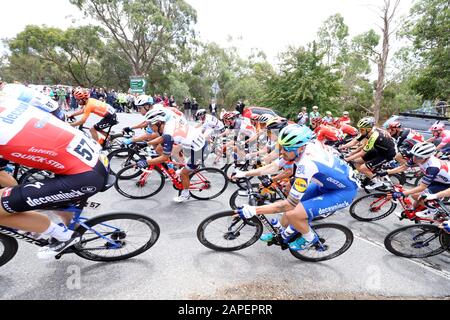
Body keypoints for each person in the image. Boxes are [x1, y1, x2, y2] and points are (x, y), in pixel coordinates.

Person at [0, 98, 108, 259]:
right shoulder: (8, 103)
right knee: (57, 206)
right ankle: (73, 228)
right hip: (90, 160)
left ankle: (66, 237)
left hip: (83, 175)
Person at [234, 125, 358, 250]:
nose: (282, 151)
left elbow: (289, 205)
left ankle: (310, 240)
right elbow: (273, 167)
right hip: (326, 184)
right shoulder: (302, 148)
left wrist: (254, 210)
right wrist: (245, 173)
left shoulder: (306, 164)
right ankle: (281, 232)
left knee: (293, 212)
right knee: (291, 208)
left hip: (343, 192)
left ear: (301, 148)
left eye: (287, 149)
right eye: (282, 147)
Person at [136, 109, 206, 203]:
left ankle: (186, 194)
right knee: (179, 163)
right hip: (193, 143)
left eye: (150, 125)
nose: (149, 127)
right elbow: (162, 138)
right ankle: (184, 171)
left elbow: (164, 157)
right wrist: (147, 143)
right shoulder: (168, 124)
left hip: (200, 150)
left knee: (183, 173)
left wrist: (146, 162)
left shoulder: (169, 133)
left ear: (158, 123)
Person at [380, 142, 450, 218]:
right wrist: (387, 172)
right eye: (414, 155)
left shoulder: (433, 167)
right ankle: (412, 211)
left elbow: (422, 187)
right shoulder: (418, 157)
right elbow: (403, 167)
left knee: (416, 195)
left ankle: (434, 210)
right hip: (438, 179)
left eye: (418, 157)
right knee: (417, 196)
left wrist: (402, 193)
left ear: (426, 157)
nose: (414, 159)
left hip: (446, 184)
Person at [344, 117, 396, 189]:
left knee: (362, 168)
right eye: (359, 128)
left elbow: (362, 153)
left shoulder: (374, 135)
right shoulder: (367, 131)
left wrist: (347, 159)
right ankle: (366, 175)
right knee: (356, 162)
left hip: (387, 154)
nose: (360, 131)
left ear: (368, 129)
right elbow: (354, 142)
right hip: (379, 150)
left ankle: (377, 182)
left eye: (361, 129)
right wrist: (341, 147)